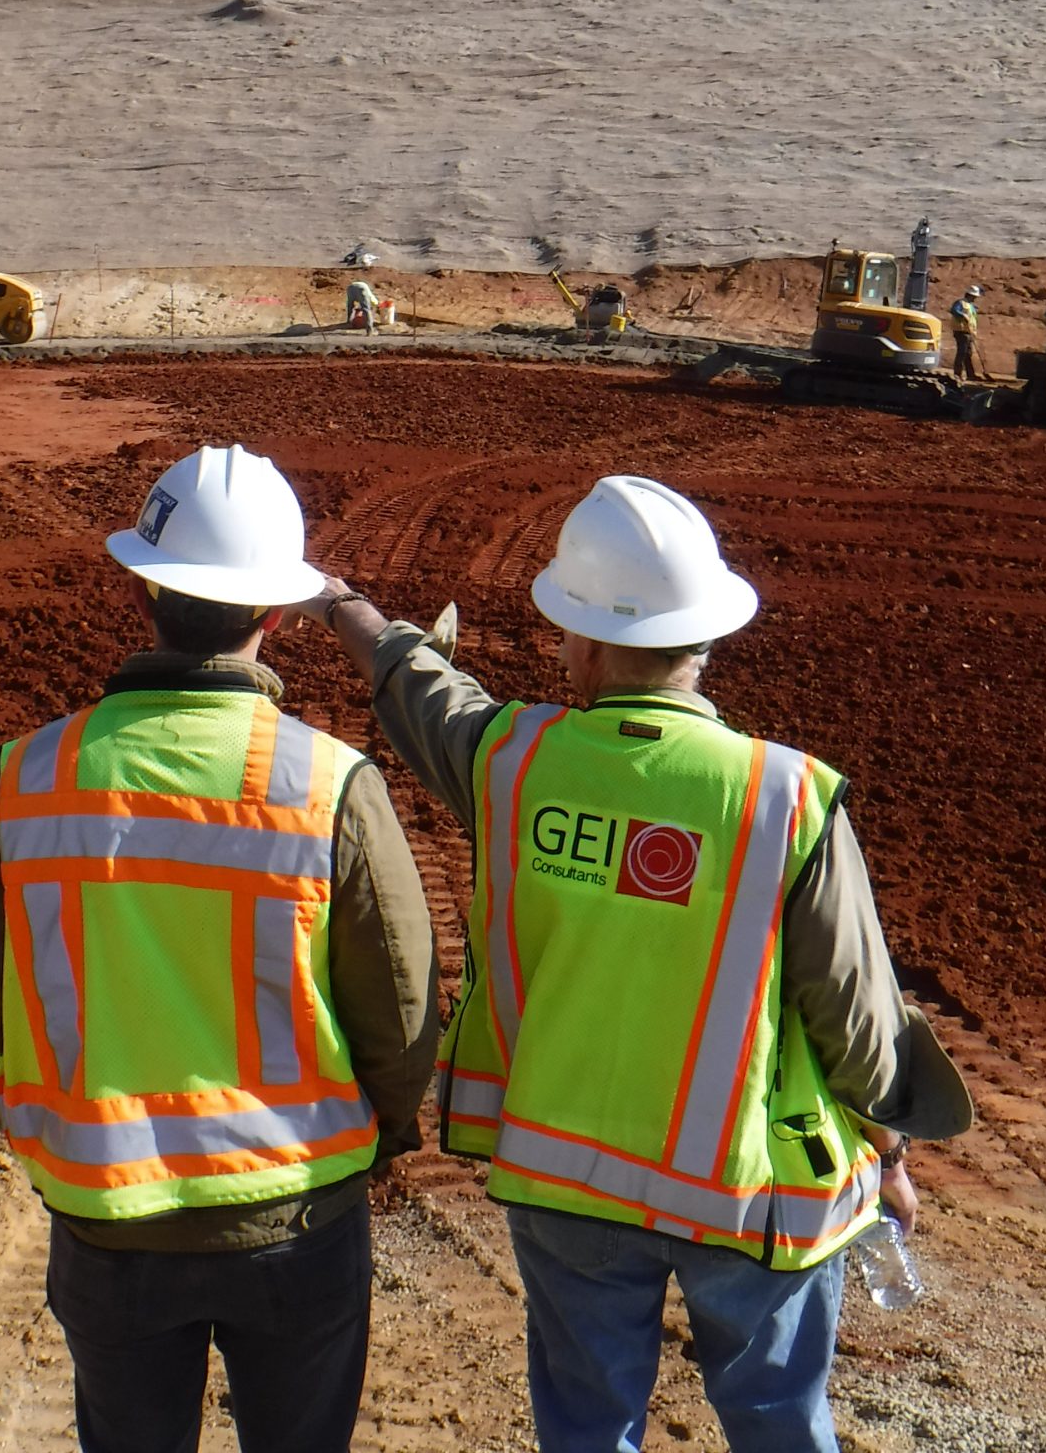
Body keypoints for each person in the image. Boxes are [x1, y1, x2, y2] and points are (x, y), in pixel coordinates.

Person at [298, 475, 973, 1453]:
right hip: (748, 1199)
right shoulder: (784, 798)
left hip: (566, 1185)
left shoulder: (513, 763)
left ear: (586, 643)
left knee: (585, 1429)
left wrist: (336, 603)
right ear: (702, 640)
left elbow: (424, 691)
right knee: (782, 1425)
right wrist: (890, 1154)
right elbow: (857, 1022)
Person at [0, 444, 438, 1453]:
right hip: (297, 1216)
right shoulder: (328, 783)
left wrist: (51, 1132)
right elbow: (398, 1010)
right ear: (274, 613)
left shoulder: (33, 775)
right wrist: (380, 1133)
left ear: (144, 590)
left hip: (107, 1216)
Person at [946, 285, 982, 379]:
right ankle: (957, 374)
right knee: (962, 352)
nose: (975, 298)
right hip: (961, 331)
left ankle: (971, 374)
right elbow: (954, 310)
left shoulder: (971, 306)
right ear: (970, 295)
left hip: (969, 332)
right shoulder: (960, 303)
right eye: (974, 297)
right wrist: (962, 315)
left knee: (968, 353)